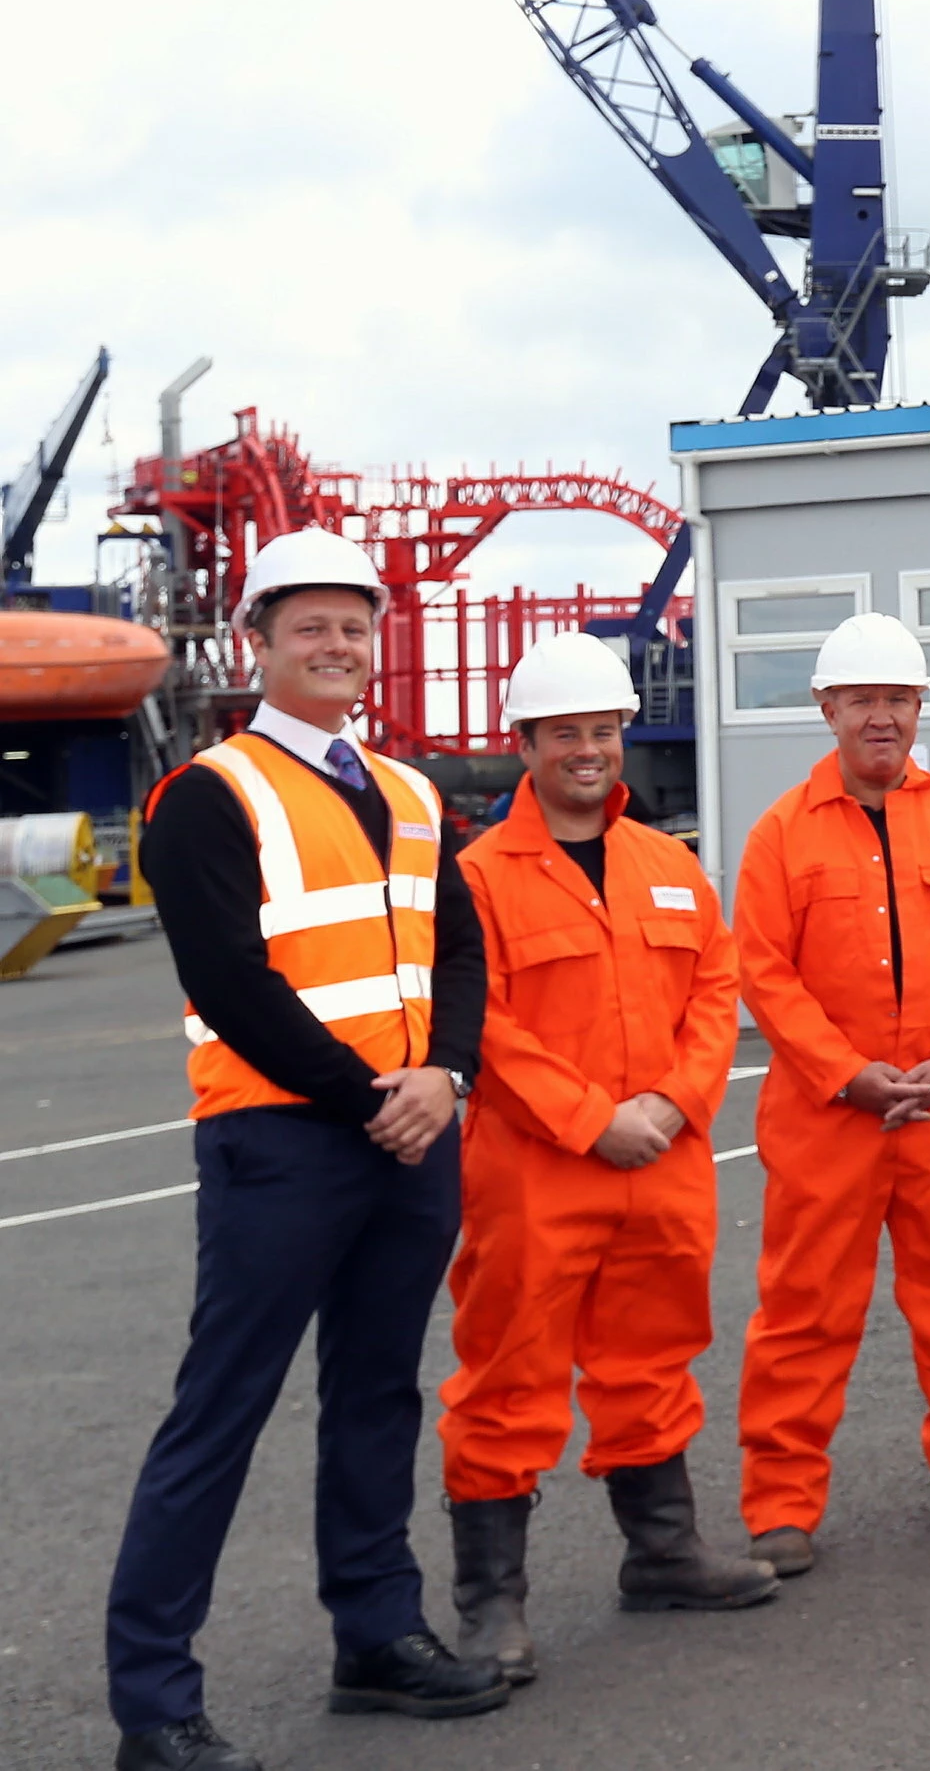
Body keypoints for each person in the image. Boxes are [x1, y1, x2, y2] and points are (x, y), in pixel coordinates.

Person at [108, 531, 511, 1771]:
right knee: (220, 1411)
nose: (336, 647)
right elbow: (230, 978)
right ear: (258, 642)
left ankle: (377, 1635)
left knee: (379, 1389)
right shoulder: (209, 795)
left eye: (353, 627)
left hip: (408, 1130)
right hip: (284, 1139)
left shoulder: (408, 791)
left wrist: (445, 1076)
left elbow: (454, 947)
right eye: (309, 628)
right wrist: (369, 1099)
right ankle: (154, 1704)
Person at [438, 634, 774, 1685]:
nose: (588, 750)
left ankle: (662, 1550)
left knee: (653, 1353)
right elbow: (478, 1024)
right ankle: (492, 1603)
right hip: (539, 1168)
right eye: (565, 733)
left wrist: (673, 1105)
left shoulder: (669, 865)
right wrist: (594, 1119)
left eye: (602, 729)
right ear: (526, 743)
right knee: (507, 1373)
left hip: (661, 1158)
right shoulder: (480, 878)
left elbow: (717, 995)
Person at [732, 612, 930, 1565]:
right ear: (826, 709)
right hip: (830, 1116)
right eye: (861, 700)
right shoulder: (781, 835)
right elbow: (763, 971)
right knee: (803, 1312)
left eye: (897, 700)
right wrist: (847, 1074)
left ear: (920, 708)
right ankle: (780, 1504)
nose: (881, 718)